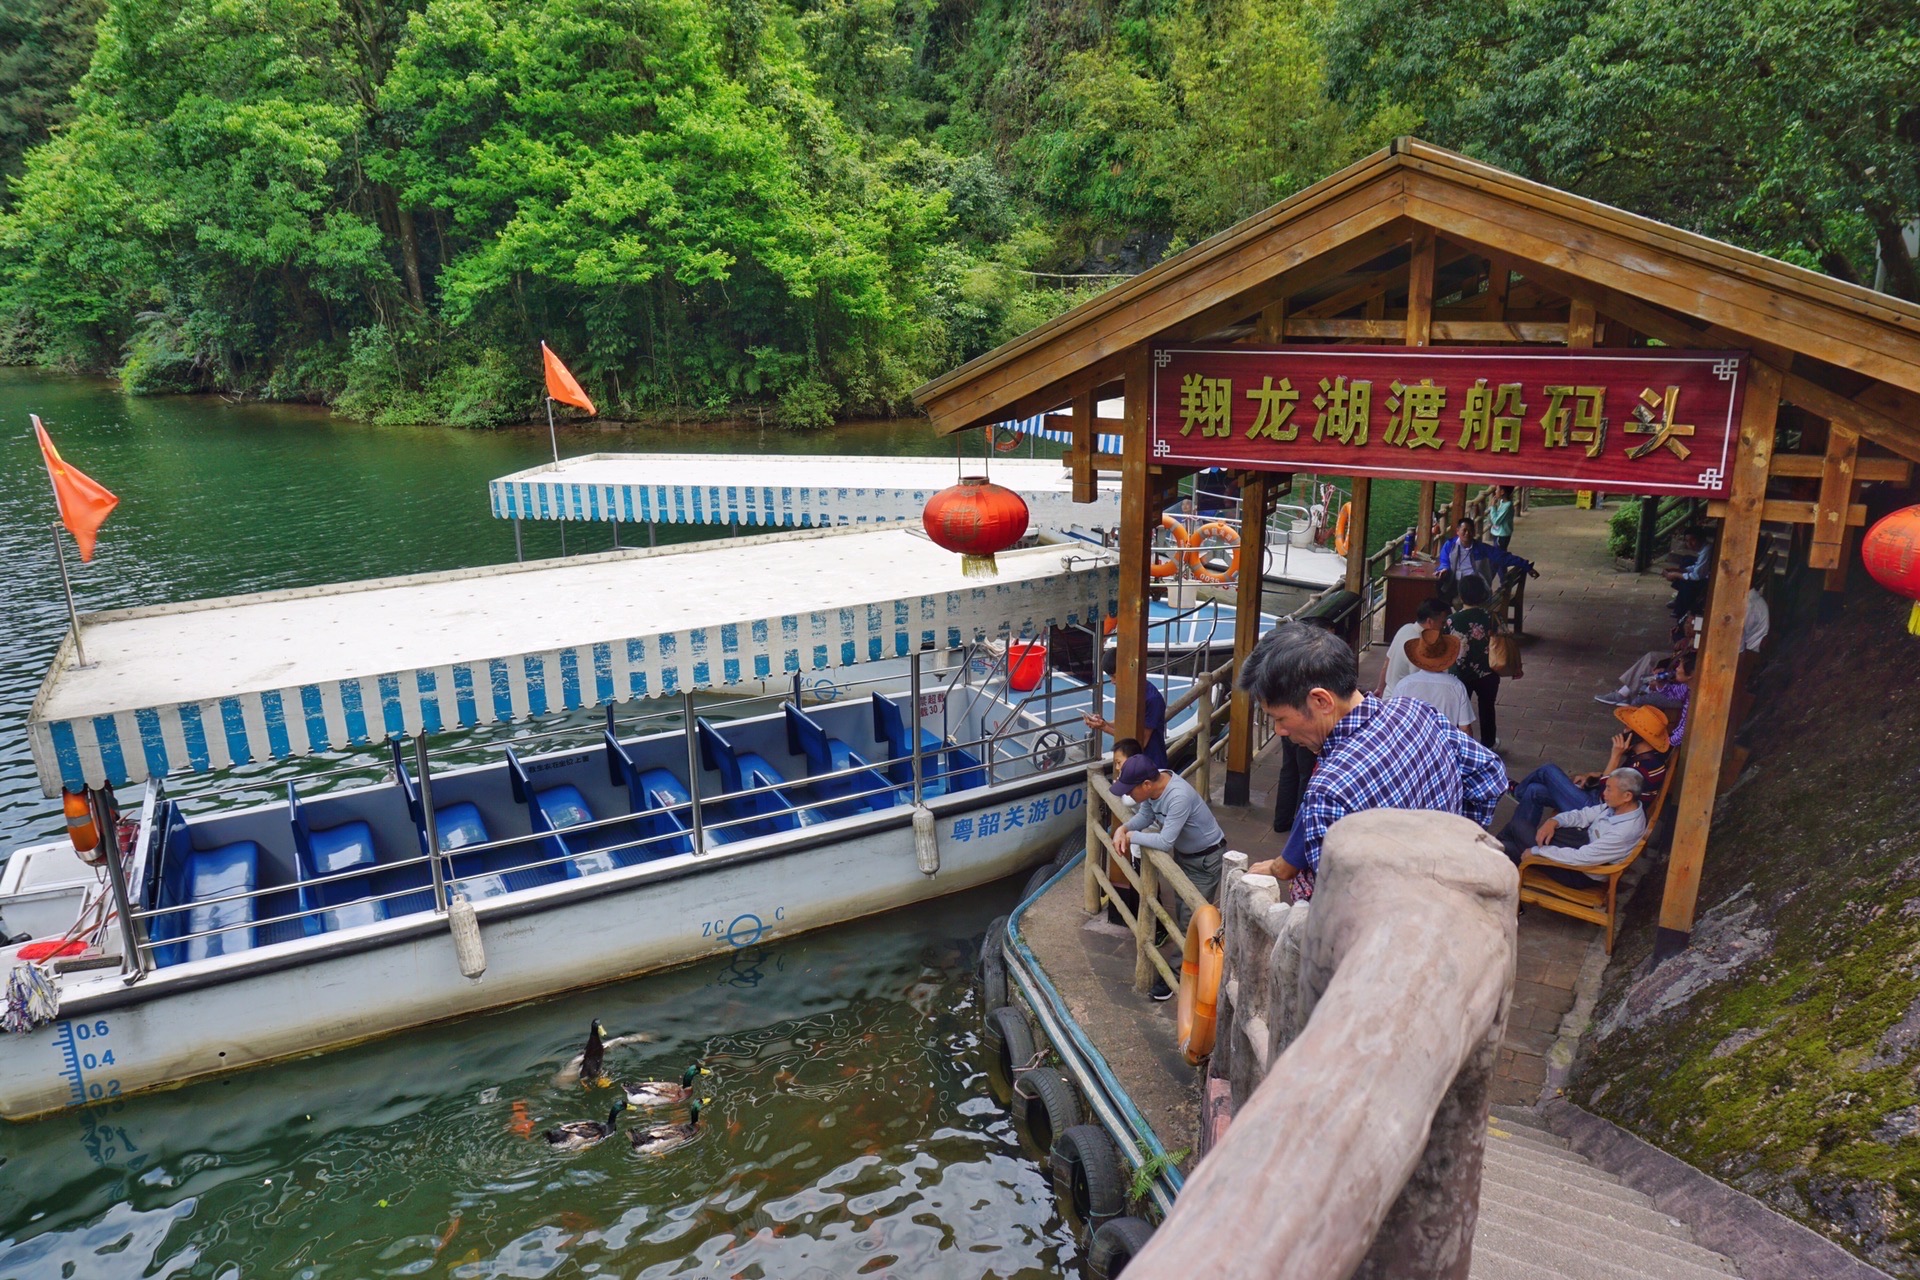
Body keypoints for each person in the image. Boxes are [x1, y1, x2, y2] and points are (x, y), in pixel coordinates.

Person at [1236, 624, 1507, 902]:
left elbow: (1338, 905)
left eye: (1279, 719)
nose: (1280, 731)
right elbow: (1489, 774)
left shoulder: (1329, 791)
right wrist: (1454, 852)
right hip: (1443, 900)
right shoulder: (1416, 711)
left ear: (1321, 700)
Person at [1113, 753, 1229, 1000]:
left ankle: (1177, 978)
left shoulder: (1177, 796)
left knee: (1190, 918)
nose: (1128, 796)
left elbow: (1165, 841)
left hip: (1206, 859)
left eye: (1130, 790)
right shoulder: (1155, 787)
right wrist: (1123, 828)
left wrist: (1132, 837)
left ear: (1146, 785)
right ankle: (1200, 960)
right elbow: (1146, 816)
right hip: (1186, 856)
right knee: (1183, 911)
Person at [1504, 705, 1670, 847]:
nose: (1624, 730)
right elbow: (1616, 783)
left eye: (1628, 727)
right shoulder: (1647, 758)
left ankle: (1517, 792)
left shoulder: (1641, 770)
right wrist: (1593, 776)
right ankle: (1516, 841)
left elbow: (1605, 797)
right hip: (1599, 802)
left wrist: (1615, 755)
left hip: (1598, 810)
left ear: (1637, 735)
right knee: (1534, 790)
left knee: (1548, 770)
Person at [1503, 768, 1648, 888]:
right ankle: (1497, 866)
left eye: (1609, 790)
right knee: (1514, 837)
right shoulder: (1620, 807)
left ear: (1627, 796)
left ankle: (1495, 868)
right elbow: (1584, 815)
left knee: (1513, 837)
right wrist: (1554, 821)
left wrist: (1537, 852)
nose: (1604, 794)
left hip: (1581, 872)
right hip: (1581, 842)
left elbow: (1581, 858)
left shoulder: (1624, 832)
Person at [1449, 574, 1504, 749]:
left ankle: (1460, 744)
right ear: (1483, 594)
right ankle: (1488, 743)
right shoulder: (1493, 617)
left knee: (1460, 710)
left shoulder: (1453, 620)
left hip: (1460, 673)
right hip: (1489, 671)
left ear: (1461, 595)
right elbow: (1504, 640)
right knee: (1487, 707)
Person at [1391, 628, 1477, 734]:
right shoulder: (1456, 686)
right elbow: (1465, 728)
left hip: (1412, 746)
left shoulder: (1404, 685)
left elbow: (1393, 722)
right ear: (1446, 656)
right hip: (1445, 747)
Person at [1377, 597, 1453, 696]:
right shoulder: (1422, 644)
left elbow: (1387, 661)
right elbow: (1420, 684)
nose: (1443, 628)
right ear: (1430, 622)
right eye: (1442, 623)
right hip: (1404, 699)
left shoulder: (1405, 628)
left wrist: (1380, 688)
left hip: (1389, 692)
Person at [1083, 681, 1168, 770]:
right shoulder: (1130, 689)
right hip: (1130, 763)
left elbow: (1140, 742)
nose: (1112, 681)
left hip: (1150, 763)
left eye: (1115, 676)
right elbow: (1124, 723)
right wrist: (1103, 722)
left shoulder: (1152, 699)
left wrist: (1105, 727)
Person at [1437, 517, 1539, 591]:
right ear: (1458, 531)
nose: (1467, 533)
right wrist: (1443, 569)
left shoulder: (1481, 548)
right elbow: (1444, 561)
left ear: (1474, 532)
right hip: (1455, 582)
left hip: (1475, 586)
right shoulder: (1450, 545)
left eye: (1470, 530)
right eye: (1464, 530)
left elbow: (1504, 557)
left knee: (1455, 601)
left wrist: (1526, 566)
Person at [1664, 530, 1713, 618]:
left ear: (1701, 539)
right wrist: (1680, 570)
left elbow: (1696, 576)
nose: (1689, 544)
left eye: (1693, 540)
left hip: (1707, 580)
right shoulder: (1704, 549)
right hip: (1703, 575)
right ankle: (1679, 599)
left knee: (1686, 581)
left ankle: (1680, 609)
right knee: (1686, 560)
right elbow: (1697, 566)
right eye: (1687, 541)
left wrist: (1675, 574)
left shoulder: (1707, 550)